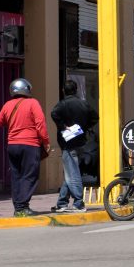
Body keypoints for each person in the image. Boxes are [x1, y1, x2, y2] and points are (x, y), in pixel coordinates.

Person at [0, 78, 50, 217]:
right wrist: (46, 141)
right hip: (30, 145)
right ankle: (22, 207)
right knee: (29, 175)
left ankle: (18, 206)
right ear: (26, 89)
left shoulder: (7, 104)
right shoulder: (33, 103)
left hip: (12, 145)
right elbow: (40, 123)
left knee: (16, 176)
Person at [50, 80, 98, 213]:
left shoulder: (62, 104)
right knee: (70, 171)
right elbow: (95, 117)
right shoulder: (84, 103)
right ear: (75, 90)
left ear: (63, 90)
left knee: (73, 173)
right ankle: (62, 202)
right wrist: (83, 127)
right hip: (81, 141)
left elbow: (53, 113)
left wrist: (63, 126)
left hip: (67, 143)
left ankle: (78, 203)